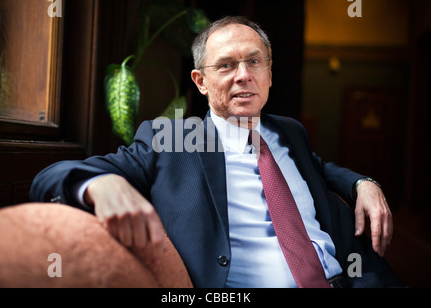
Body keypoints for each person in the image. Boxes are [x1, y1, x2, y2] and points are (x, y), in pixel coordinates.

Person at [30, 16, 401, 288]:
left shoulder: (289, 132)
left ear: (269, 73)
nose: (243, 75)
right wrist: (101, 185)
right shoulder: (169, 140)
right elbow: (51, 177)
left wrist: (362, 183)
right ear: (201, 82)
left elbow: (320, 169)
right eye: (226, 65)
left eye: (254, 62)